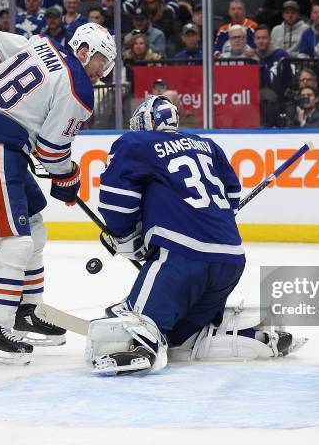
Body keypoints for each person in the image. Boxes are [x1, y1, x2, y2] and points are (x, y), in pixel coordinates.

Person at [86, 95, 301, 375]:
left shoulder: (135, 143)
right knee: (182, 340)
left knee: (135, 322)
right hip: (230, 259)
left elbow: (116, 201)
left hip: (181, 256)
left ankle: (143, 348)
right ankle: (255, 338)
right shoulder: (207, 144)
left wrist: (125, 237)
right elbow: (232, 195)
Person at [0, 23, 116, 365]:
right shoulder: (77, 86)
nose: (103, 70)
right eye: (101, 60)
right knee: (17, 240)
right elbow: (53, 150)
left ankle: (27, 311)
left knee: (34, 229)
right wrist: (68, 177)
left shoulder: (41, 44)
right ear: (83, 50)